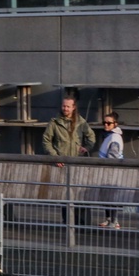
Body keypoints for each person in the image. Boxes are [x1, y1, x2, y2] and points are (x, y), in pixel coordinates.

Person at [43, 95, 96, 224]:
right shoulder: (54, 122)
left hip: (78, 164)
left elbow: (91, 136)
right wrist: (55, 157)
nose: (65, 108)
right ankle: (67, 222)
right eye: (63, 106)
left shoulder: (80, 122)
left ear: (73, 107)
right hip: (62, 165)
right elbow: (46, 140)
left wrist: (87, 148)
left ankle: (83, 222)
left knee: (80, 194)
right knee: (65, 195)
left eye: (68, 106)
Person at [97, 113, 124, 229]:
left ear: (115, 124)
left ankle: (114, 220)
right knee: (107, 196)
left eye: (109, 123)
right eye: (104, 123)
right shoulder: (109, 136)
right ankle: (109, 219)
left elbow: (112, 156)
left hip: (111, 172)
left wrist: (108, 170)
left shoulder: (114, 138)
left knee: (112, 197)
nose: (106, 125)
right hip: (107, 171)